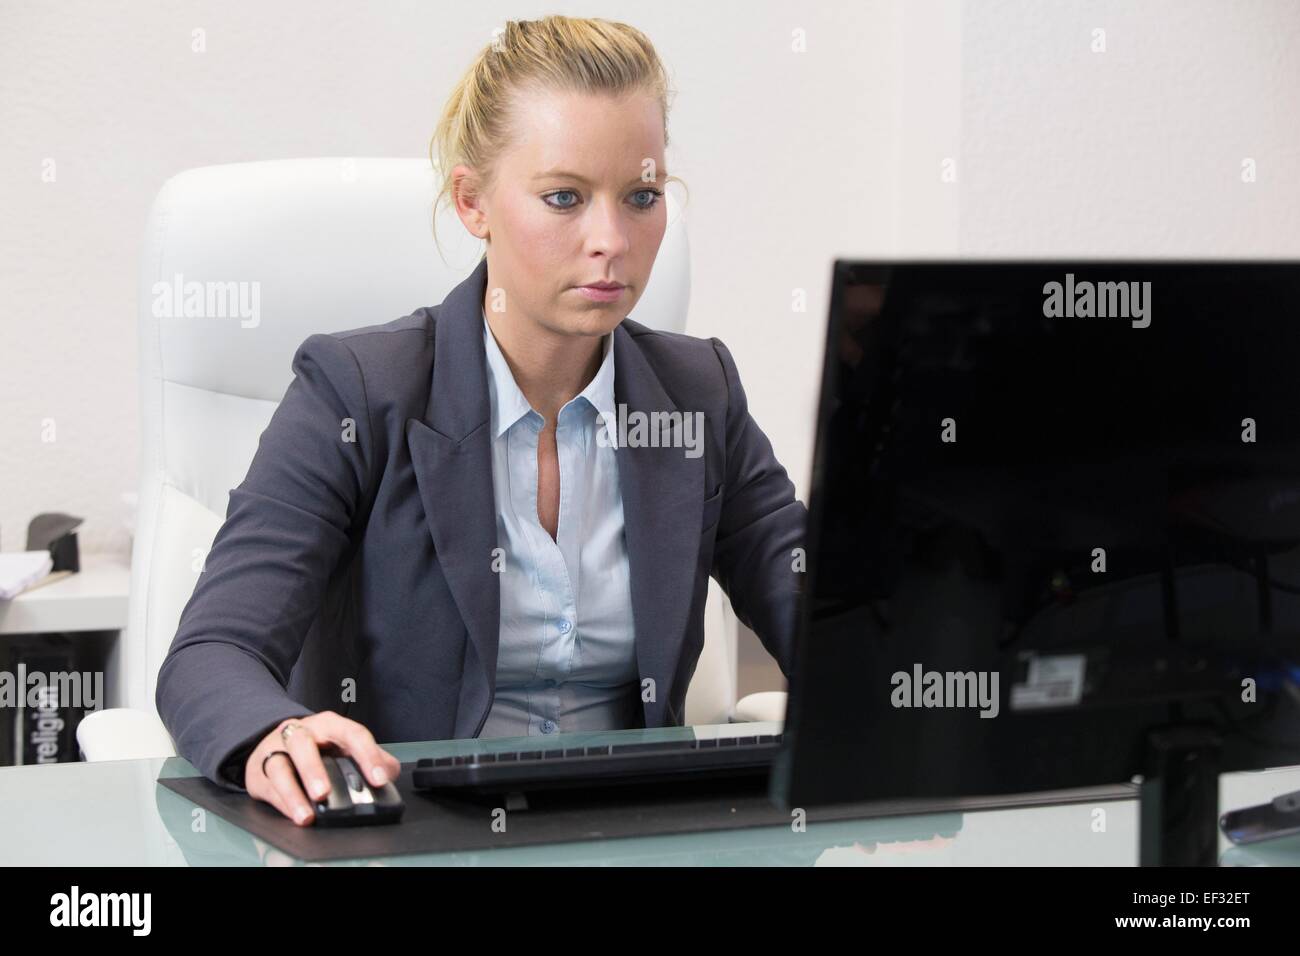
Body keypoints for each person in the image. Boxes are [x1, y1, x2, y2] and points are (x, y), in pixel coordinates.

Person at [155, 14, 806, 827]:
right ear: (472, 202)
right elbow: (211, 653)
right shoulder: (355, 392)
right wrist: (274, 731)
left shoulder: (696, 393)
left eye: (641, 197)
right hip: (412, 835)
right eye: (563, 197)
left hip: (633, 832)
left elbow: (813, 604)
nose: (611, 240)